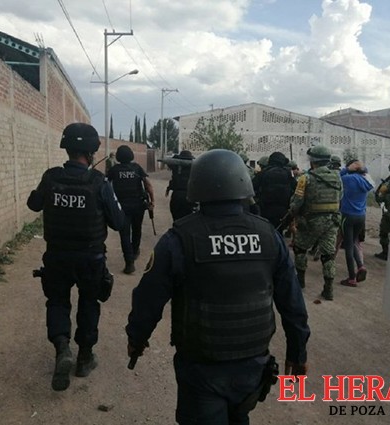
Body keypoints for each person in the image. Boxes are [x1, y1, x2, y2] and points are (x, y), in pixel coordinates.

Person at [126, 149, 310, 425]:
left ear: (197, 187)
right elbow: (292, 302)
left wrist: (137, 338)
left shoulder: (180, 238)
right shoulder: (268, 235)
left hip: (202, 371)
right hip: (253, 367)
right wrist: (298, 352)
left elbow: (148, 298)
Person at [27, 122, 125, 391]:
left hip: (57, 256)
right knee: (89, 303)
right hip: (90, 259)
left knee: (57, 301)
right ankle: (84, 358)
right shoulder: (99, 182)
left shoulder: (51, 177)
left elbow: (34, 204)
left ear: (67, 148)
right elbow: (118, 222)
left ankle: (62, 349)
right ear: (91, 152)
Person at [290, 145, 342, 300]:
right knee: (328, 255)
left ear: (312, 161)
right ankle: (329, 289)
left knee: (300, 249)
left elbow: (297, 203)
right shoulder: (337, 177)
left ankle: (300, 282)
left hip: (310, 222)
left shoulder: (305, 178)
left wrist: (293, 214)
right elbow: (340, 197)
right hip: (332, 222)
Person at [107, 145, 155, 274]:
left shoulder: (114, 170)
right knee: (137, 229)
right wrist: (152, 201)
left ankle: (129, 263)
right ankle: (134, 252)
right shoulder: (137, 168)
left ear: (118, 156)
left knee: (124, 234)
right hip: (138, 205)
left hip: (121, 207)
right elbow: (148, 185)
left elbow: (106, 185)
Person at [339, 159, 373, 287]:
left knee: (348, 246)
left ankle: (352, 277)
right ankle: (360, 266)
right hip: (361, 216)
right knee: (353, 242)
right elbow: (369, 178)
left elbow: (336, 177)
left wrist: (347, 169)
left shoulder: (347, 179)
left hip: (347, 216)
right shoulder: (366, 182)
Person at [252, 151, 296, 228]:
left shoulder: (263, 172)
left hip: (266, 209)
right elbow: (296, 188)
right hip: (283, 210)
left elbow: (252, 187)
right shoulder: (287, 173)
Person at [374, 162, 390, 260]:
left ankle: (385, 253)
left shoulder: (387, 184)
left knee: (384, 232)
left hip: (389, 213)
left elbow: (379, 198)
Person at [166, 150, 196, 221]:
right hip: (189, 195)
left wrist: (177, 157)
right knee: (188, 219)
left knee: (176, 218)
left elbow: (169, 162)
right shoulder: (194, 166)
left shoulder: (175, 166)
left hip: (177, 195)